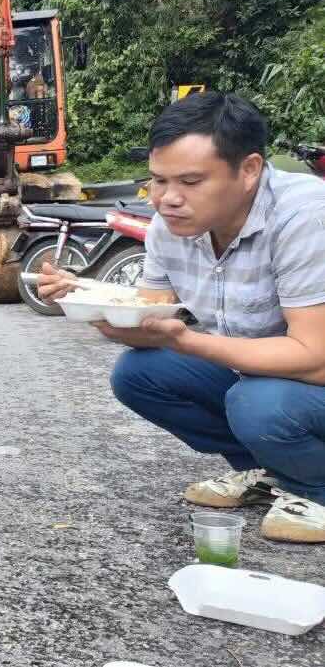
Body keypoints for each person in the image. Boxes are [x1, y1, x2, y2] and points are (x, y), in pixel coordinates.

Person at [37, 93, 325, 543]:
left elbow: (314, 357)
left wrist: (183, 341)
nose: (168, 199)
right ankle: (270, 471)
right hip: (261, 375)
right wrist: (95, 303)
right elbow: (151, 314)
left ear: (249, 171)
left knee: (257, 404)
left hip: (306, 377)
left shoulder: (305, 216)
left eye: (191, 181)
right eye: (158, 181)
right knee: (140, 374)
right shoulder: (168, 227)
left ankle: (316, 489)